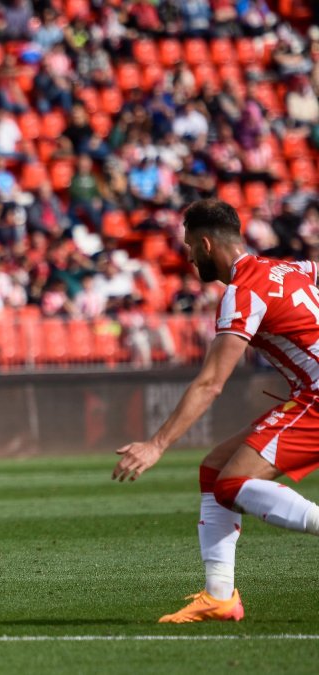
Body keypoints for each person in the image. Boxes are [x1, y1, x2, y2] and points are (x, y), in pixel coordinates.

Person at [113, 199, 319, 623]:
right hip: (309, 395)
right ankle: (220, 597)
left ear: (207, 244)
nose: (187, 256)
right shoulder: (293, 268)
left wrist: (157, 445)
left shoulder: (242, 293)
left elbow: (211, 384)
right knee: (215, 470)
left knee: (233, 484)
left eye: (190, 246)